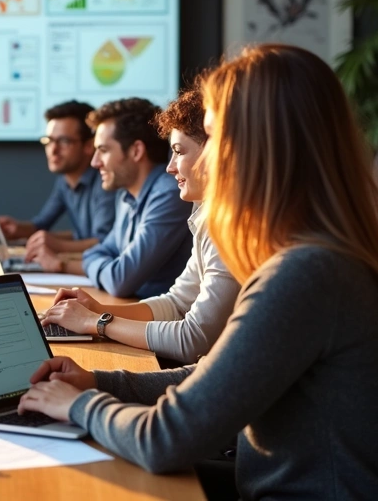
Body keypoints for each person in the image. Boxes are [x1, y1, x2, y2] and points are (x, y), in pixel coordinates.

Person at [17, 45, 378, 499]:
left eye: (212, 136)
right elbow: (216, 375)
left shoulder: (306, 274)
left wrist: (81, 404)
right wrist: (100, 382)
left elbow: (165, 439)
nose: (200, 159)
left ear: (255, 148)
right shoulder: (320, 253)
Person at [41, 87, 240, 364]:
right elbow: (177, 303)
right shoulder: (205, 212)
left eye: (179, 152)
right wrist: (97, 309)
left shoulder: (230, 224)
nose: (170, 167)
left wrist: (96, 322)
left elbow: (192, 340)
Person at [27, 97, 192, 299]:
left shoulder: (168, 194)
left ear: (136, 151)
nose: (95, 162)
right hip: (133, 307)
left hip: (159, 315)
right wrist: (102, 263)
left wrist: (63, 264)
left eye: (103, 150)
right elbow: (100, 251)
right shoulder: (125, 195)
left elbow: (119, 280)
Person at [0, 100, 116, 251]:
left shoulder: (105, 182)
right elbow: (41, 224)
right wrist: (17, 229)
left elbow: (103, 242)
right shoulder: (65, 180)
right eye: (49, 140)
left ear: (88, 146)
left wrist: (56, 245)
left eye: (63, 141)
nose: (53, 150)